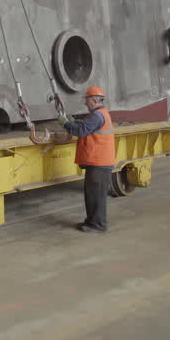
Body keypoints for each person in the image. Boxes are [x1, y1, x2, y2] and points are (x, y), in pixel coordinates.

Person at [61, 85, 115, 233]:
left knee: (96, 197)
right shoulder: (100, 114)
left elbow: (81, 130)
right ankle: (91, 222)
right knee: (92, 195)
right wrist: (73, 122)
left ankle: (98, 225)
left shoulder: (97, 116)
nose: (85, 103)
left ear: (95, 100)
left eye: (87, 100)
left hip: (99, 162)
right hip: (98, 162)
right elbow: (85, 126)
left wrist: (65, 123)